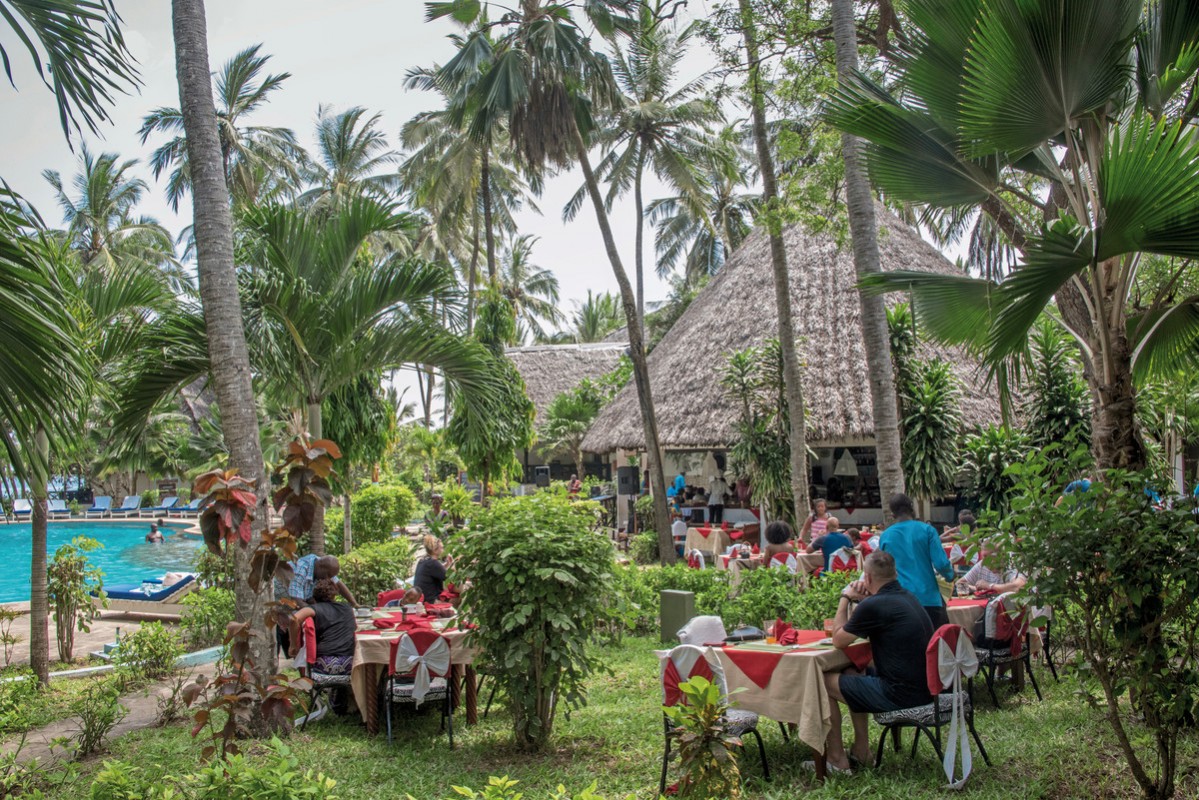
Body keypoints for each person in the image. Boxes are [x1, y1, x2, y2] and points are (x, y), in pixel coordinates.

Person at [812, 551, 935, 774]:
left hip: (899, 695)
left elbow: (838, 640)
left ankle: (836, 759)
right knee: (852, 671)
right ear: (894, 573)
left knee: (819, 680)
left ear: (867, 578)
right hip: (925, 691)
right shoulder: (908, 597)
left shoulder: (875, 605)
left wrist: (846, 597)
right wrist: (865, 600)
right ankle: (862, 751)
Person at [878, 493, 954, 627]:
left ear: (892, 513)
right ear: (912, 508)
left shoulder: (886, 536)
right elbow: (941, 563)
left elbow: (882, 569)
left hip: (899, 599)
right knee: (937, 643)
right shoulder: (927, 530)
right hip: (928, 598)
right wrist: (950, 576)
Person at [288, 578, 356, 712]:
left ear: (315, 596)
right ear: (335, 594)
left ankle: (338, 699)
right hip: (351, 664)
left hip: (324, 665)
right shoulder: (347, 609)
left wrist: (293, 645)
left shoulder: (314, 609)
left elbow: (294, 619)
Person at [958, 541, 1026, 595]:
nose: (984, 561)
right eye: (983, 557)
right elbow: (959, 584)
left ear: (1001, 556)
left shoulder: (1011, 564)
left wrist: (989, 586)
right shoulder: (981, 565)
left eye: (987, 556)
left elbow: (1018, 586)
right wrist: (976, 589)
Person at [414, 535, 452, 604]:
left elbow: (438, 571)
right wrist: (453, 565)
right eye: (442, 548)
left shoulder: (423, 560)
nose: (443, 550)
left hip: (420, 599)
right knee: (457, 597)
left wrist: (447, 565)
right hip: (429, 601)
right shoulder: (433, 563)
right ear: (435, 550)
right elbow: (450, 578)